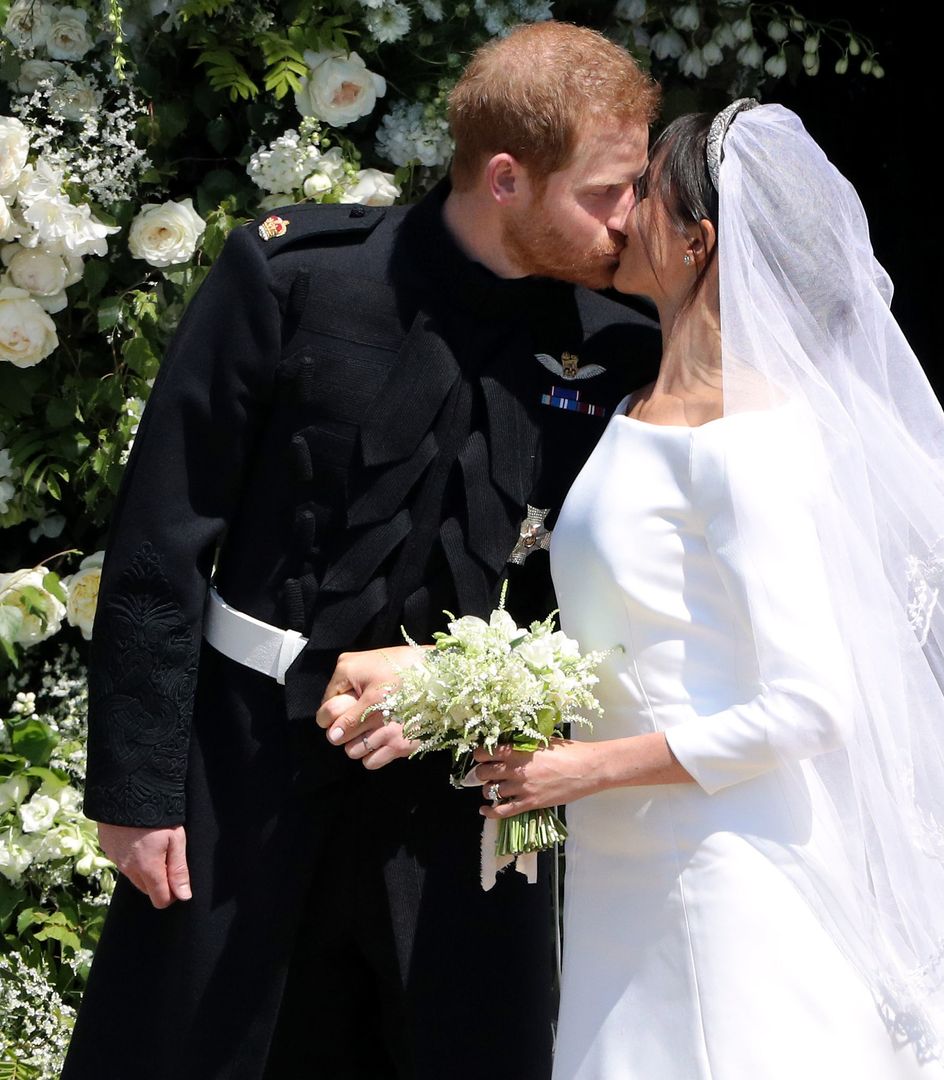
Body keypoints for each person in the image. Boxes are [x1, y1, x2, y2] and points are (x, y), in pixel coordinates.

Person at [60, 22, 660, 1080]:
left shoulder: (617, 351)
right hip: (246, 777)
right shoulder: (296, 279)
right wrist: (138, 790)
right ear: (508, 178)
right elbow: (161, 536)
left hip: (471, 805)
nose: (629, 220)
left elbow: (621, 595)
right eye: (605, 192)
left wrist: (469, 680)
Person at [472, 101, 944, 1078]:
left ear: (698, 241)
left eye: (644, 198)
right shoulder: (635, 406)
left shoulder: (749, 436)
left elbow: (809, 706)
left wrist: (589, 769)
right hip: (626, 875)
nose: (620, 216)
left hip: (726, 874)